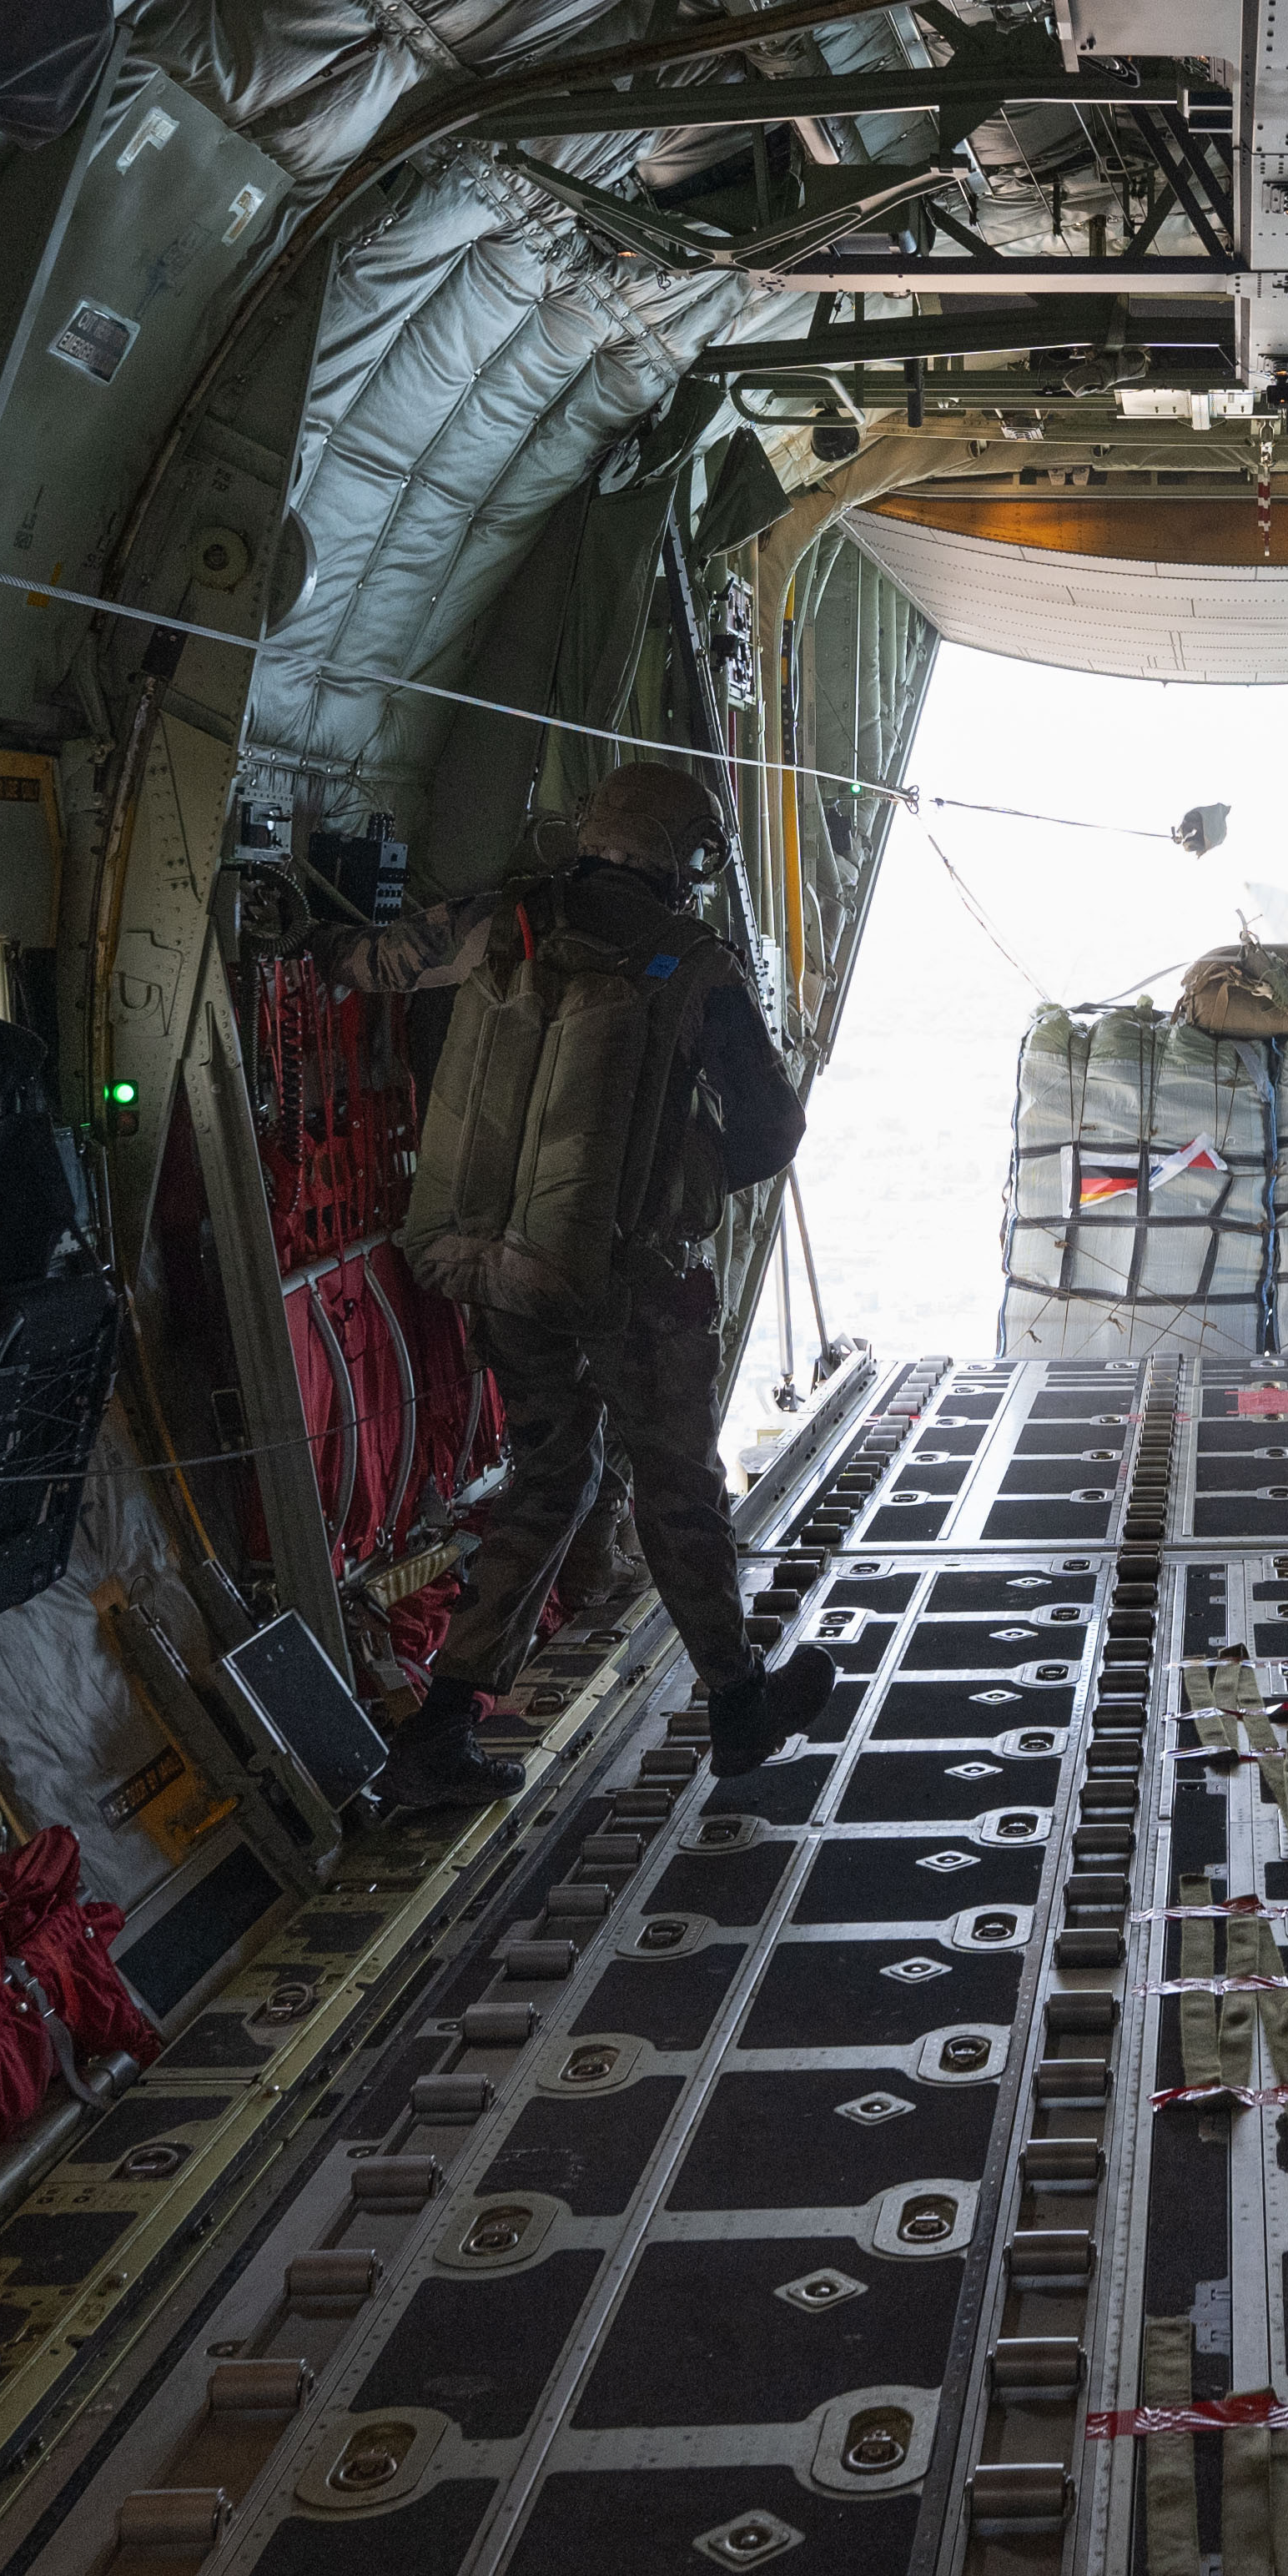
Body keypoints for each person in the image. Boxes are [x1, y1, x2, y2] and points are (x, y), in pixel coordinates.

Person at [321, 760, 855, 1799]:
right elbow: (773, 1126)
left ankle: (440, 1727)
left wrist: (307, 935)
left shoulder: (503, 920)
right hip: (633, 1284)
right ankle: (739, 1704)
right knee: (676, 1486)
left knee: (549, 1474)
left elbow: (377, 961)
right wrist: (685, 1178)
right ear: (680, 861)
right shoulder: (693, 963)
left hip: (506, 1265)